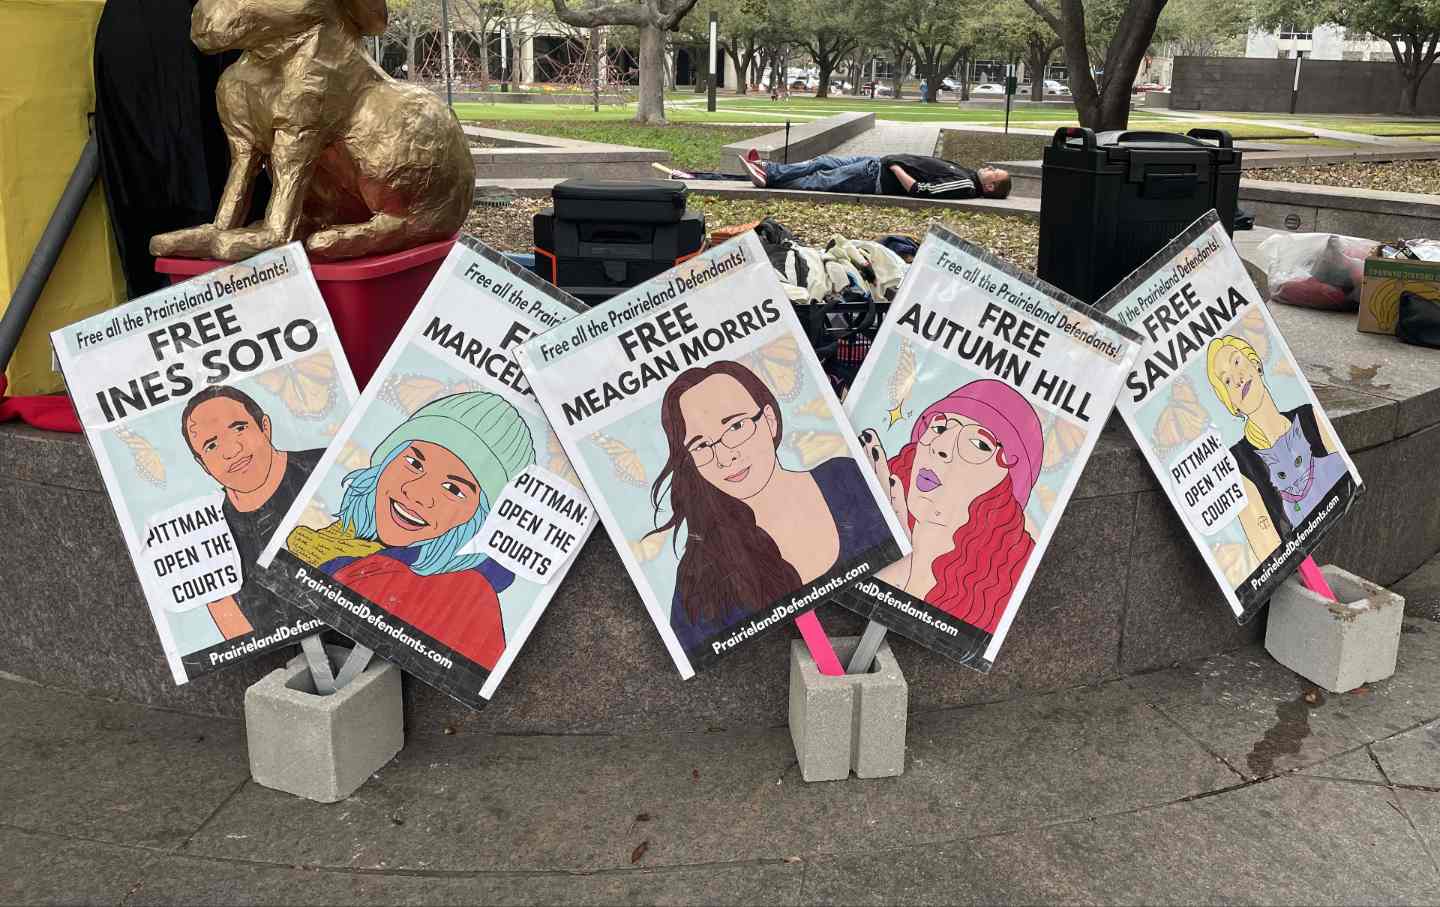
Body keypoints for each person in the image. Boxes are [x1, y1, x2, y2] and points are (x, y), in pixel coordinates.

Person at [647, 360, 894, 652]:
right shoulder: (700, 576)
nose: (725, 458)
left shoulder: (846, 480)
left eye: (736, 426)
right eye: (701, 446)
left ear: (770, 420)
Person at [285, 392, 532, 670]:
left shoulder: (466, 596)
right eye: (414, 463)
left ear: (479, 517)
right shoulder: (323, 542)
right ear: (387, 460)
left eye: (453, 489)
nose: (416, 494)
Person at [859, 380, 1042, 636]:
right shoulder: (863, 509)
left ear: (1007, 482)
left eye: (979, 444)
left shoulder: (1003, 585)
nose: (941, 447)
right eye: (940, 426)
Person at [182, 385, 324, 640]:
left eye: (238, 428)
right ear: (202, 464)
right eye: (211, 446)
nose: (231, 450)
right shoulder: (209, 536)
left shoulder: (326, 469)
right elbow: (240, 639)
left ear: (265, 427)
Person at [1206, 335, 1340, 560]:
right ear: (1232, 405)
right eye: (1227, 381)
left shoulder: (1311, 417)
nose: (1237, 380)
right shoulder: (1237, 463)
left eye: (1237, 362)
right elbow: (1267, 551)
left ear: (1256, 364)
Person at [738, 148, 1011, 200]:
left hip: (877, 176)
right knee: (823, 161)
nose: (988, 167)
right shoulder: (968, 174)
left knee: (821, 179)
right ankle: (768, 170)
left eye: (993, 172)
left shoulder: (964, 184)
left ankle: (768, 175)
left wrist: (895, 166)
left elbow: (920, 190)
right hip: (876, 164)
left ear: (989, 188)